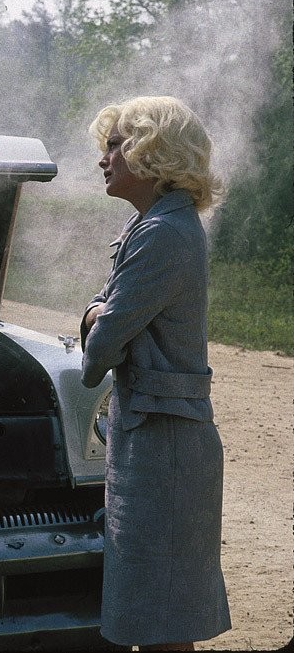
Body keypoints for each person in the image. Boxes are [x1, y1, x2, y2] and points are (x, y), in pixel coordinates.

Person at [80, 96, 231, 650]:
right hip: (153, 432)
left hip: (165, 440)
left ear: (153, 153)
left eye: (116, 145)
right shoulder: (149, 225)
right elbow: (108, 313)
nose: (105, 159)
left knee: (163, 617)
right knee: (154, 609)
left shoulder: (163, 233)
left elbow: (101, 346)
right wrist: (102, 314)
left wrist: (97, 317)